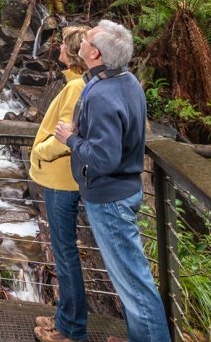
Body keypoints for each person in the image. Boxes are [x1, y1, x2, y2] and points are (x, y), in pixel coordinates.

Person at [55, 20, 170, 342]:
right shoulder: (126, 81)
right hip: (124, 190)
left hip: (110, 198)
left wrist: (71, 140)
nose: (83, 37)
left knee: (133, 284)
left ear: (94, 52)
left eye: (88, 37)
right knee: (130, 279)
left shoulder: (103, 95)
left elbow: (104, 158)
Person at [31, 25, 92, 342]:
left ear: (70, 54)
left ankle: (71, 329)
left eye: (61, 48)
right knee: (65, 252)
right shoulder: (80, 84)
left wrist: (40, 152)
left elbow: (66, 135)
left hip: (61, 178)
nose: (55, 51)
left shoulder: (76, 88)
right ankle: (64, 319)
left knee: (65, 253)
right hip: (67, 176)